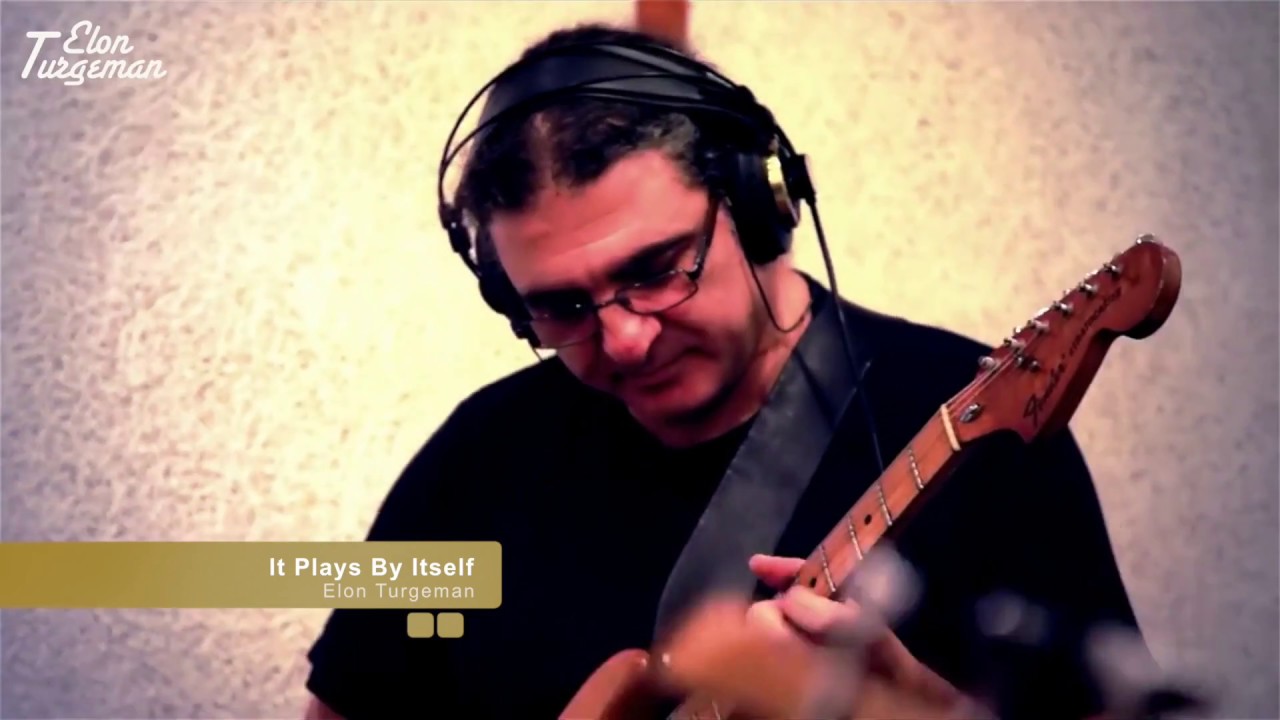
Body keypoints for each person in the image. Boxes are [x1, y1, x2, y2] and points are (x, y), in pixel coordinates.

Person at [303, 22, 1148, 720]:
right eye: (562, 306)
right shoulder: (478, 453)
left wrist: (917, 708)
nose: (624, 340)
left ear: (757, 203)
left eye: (655, 269)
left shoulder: (976, 418)